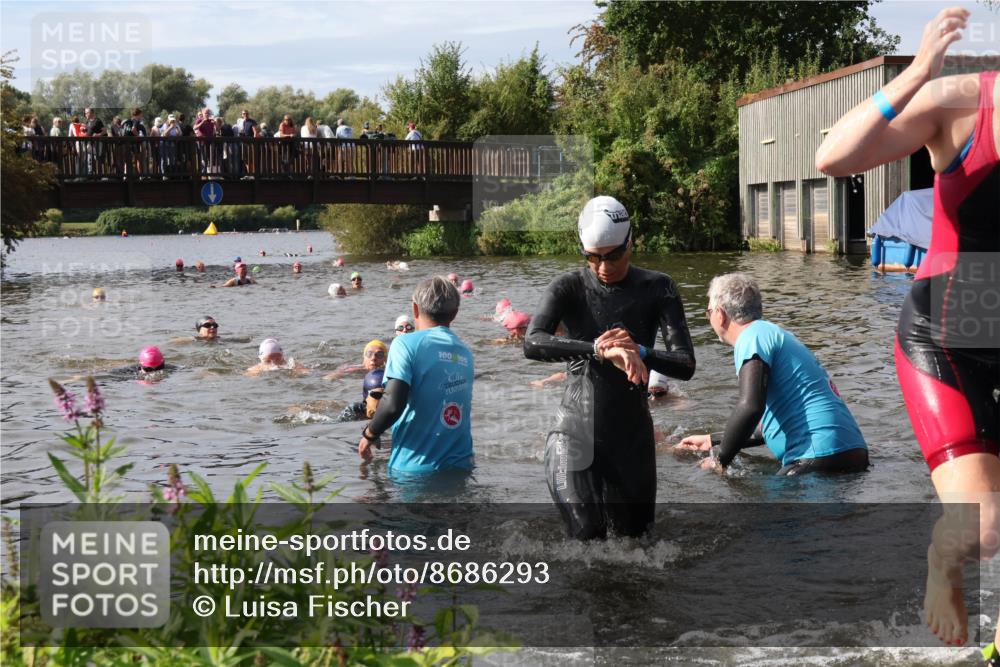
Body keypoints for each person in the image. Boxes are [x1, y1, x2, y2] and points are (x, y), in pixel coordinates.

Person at [815, 6, 998, 652]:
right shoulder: (961, 106)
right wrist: (917, 74)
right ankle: (943, 559)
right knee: (987, 523)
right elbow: (833, 154)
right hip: (952, 328)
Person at [523, 195, 696, 540]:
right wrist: (599, 349)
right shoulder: (568, 287)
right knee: (586, 534)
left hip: (631, 441)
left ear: (631, 241)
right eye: (593, 258)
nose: (604, 267)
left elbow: (685, 364)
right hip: (573, 433)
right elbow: (533, 342)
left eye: (614, 255)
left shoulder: (658, 287)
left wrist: (640, 350)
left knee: (637, 543)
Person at [675, 273, 869, 475]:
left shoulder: (751, 337)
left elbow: (750, 407)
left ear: (720, 313)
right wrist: (712, 440)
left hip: (817, 454)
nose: (709, 319)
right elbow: (771, 426)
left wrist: (719, 460)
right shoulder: (771, 333)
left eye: (708, 312)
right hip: (850, 452)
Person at [358, 277, 474, 476]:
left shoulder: (404, 344)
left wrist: (369, 434)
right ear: (454, 314)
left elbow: (393, 403)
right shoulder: (465, 353)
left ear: (415, 309)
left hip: (415, 469)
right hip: (462, 465)